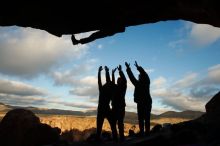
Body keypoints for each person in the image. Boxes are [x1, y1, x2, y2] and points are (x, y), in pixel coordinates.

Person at [125, 61, 152, 136]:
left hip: (146, 102)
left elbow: (143, 73)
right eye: (139, 76)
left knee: (146, 118)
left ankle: (147, 133)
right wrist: (128, 68)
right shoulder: (137, 84)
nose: (139, 77)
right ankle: (143, 132)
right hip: (140, 103)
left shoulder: (146, 82)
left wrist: (138, 67)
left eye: (140, 76)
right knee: (141, 119)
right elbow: (131, 77)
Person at [96, 66, 117, 141]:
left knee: (99, 126)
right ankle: (115, 138)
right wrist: (108, 72)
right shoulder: (110, 91)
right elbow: (110, 82)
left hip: (102, 109)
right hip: (106, 109)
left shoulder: (102, 89)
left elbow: (100, 81)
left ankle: (98, 139)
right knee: (112, 125)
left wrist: (100, 72)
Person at [111, 65, 127, 141]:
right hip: (115, 108)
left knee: (120, 123)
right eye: (118, 79)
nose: (119, 80)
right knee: (113, 123)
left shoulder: (123, 88)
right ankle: (115, 137)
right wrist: (113, 74)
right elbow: (113, 82)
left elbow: (125, 80)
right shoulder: (115, 87)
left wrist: (120, 71)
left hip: (120, 108)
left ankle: (121, 138)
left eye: (120, 79)